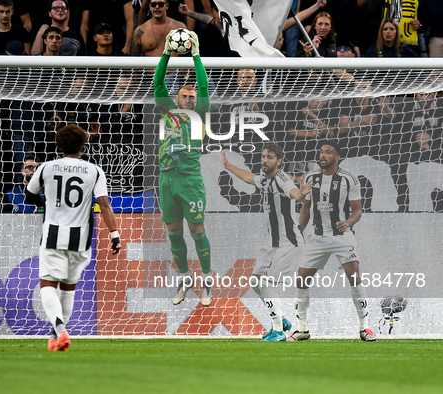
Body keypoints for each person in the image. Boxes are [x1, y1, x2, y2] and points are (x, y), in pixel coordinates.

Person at [25, 124, 121, 351]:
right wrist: (114, 234)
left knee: (48, 285)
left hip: (53, 236)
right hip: (81, 239)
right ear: (83, 145)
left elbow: (30, 196)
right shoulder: (94, 170)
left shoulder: (46, 168)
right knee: (68, 288)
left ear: (58, 145)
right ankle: (55, 337)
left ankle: (58, 328)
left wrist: (48, 203)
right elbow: (104, 204)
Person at [221, 145, 312, 341]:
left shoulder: (282, 179)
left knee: (265, 282)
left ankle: (278, 330)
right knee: (255, 282)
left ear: (279, 161)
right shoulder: (264, 179)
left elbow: (294, 193)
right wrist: (228, 166)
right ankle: (281, 320)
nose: (265, 160)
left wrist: (302, 193)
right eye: (263, 156)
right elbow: (248, 177)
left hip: (289, 242)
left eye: (270, 157)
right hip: (272, 242)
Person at [290, 141, 377, 342]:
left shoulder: (349, 179)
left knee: (354, 275)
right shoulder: (311, 178)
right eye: (321, 152)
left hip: (341, 235)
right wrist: (297, 233)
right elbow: (305, 209)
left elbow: (357, 210)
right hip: (317, 236)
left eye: (328, 152)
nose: (323, 155)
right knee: (301, 279)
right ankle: (302, 329)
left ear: (337, 157)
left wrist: (347, 223)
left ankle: (365, 328)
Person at [154, 30, 213, 306]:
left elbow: (203, 87)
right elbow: (157, 84)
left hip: (190, 180)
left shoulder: (199, 115)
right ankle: (184, 278)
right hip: (166, 180)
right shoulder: (167, 111)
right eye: (184, 96)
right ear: (177, 98)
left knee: (197, 231)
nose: (189, 99)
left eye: (191, 96)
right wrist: (166, 54)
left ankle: (207, 280)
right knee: (174, 234)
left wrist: (196, 55)